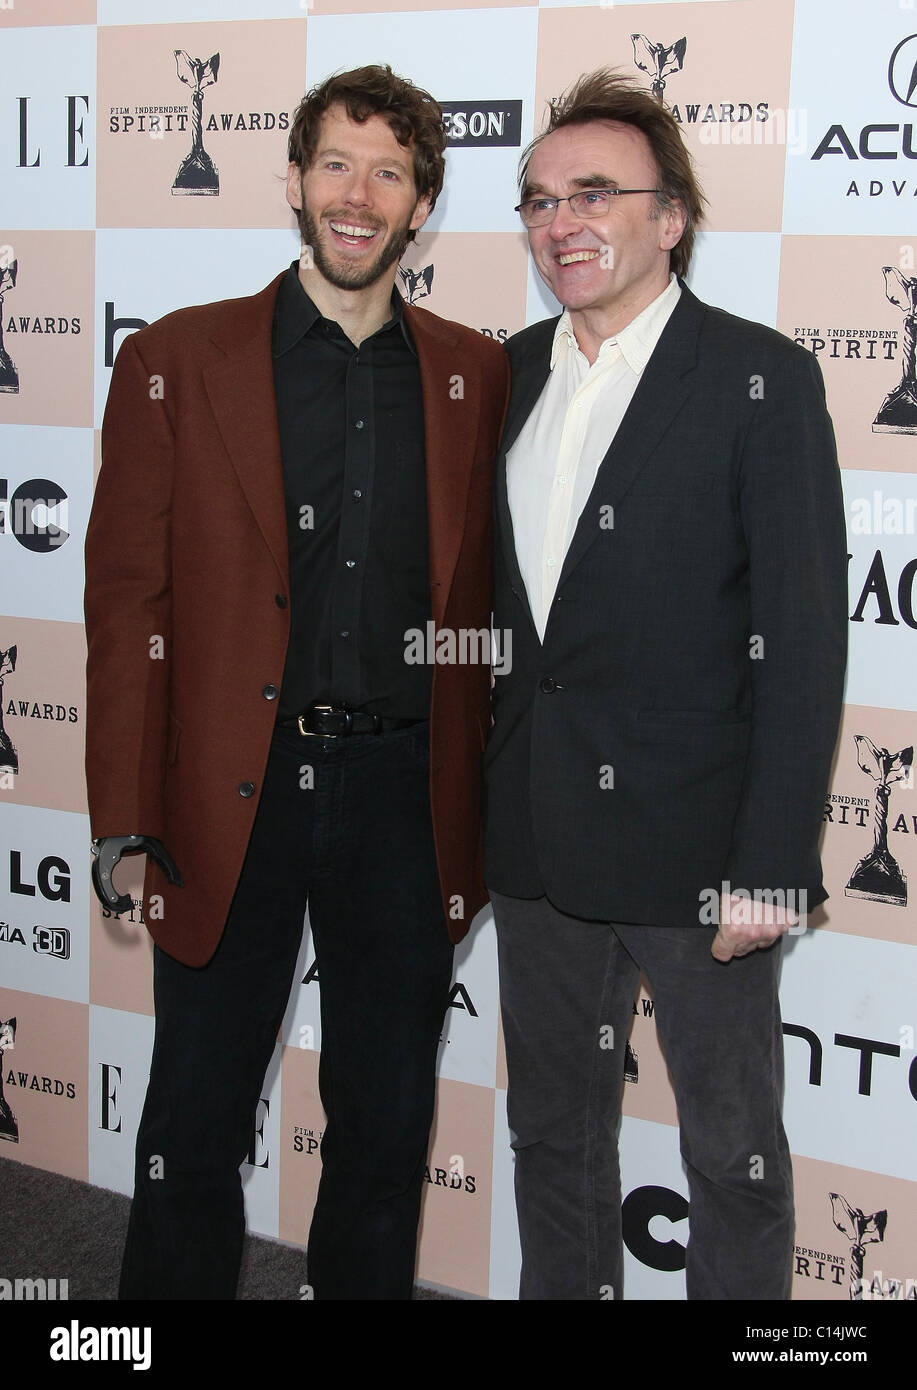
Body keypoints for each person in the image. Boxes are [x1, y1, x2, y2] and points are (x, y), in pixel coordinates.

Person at [84, 63, 509, 1301]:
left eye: (389, 172)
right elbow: (127, 601)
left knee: (382, 1130)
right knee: (191, 1126)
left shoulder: (473, 379)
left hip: (400, 797)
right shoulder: (178, 357)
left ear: (420, 205)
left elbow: (481, 614)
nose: (358, 194)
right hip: (231, 794)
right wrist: (123, 814)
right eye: (335, 163)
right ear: (291, 180)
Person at [483, 68, 847, 1300]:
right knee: (551, 1136)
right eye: (535, 201)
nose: (559, 223)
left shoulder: (758, 377)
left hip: (701, 848)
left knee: (729, 1156)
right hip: (535, 840)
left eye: (593, 193)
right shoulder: (509, 375)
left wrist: (772, 859)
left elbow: (800, 642)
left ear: (670, 217)